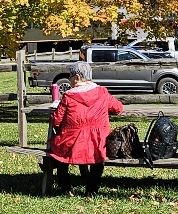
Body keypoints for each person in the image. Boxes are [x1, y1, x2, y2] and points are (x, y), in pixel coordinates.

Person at [46, 61, 123, 195]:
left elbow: (56, 120)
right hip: (98, 141)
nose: (69, 79)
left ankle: (66, 188)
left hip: (72, 141)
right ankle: (91, 191)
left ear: (77, 77)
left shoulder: (68, 96)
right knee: (98, 159)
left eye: (70, 76)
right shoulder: (102, 92)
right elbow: (118, 108)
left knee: (59, 154)